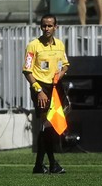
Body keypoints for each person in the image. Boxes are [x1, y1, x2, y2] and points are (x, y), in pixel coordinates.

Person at [23, 14, 69, 175]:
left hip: (55, 88)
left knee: (50, 127)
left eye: (50, 26)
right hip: (40, 87)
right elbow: (27, 71)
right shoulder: (33, 45)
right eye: (44, 26)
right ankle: (52, 164)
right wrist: (39, 90)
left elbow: (65, 65)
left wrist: (59, 76)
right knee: (47, 124)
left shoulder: (60, 45)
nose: (47, 29)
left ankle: (39, 165)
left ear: (56, 27)